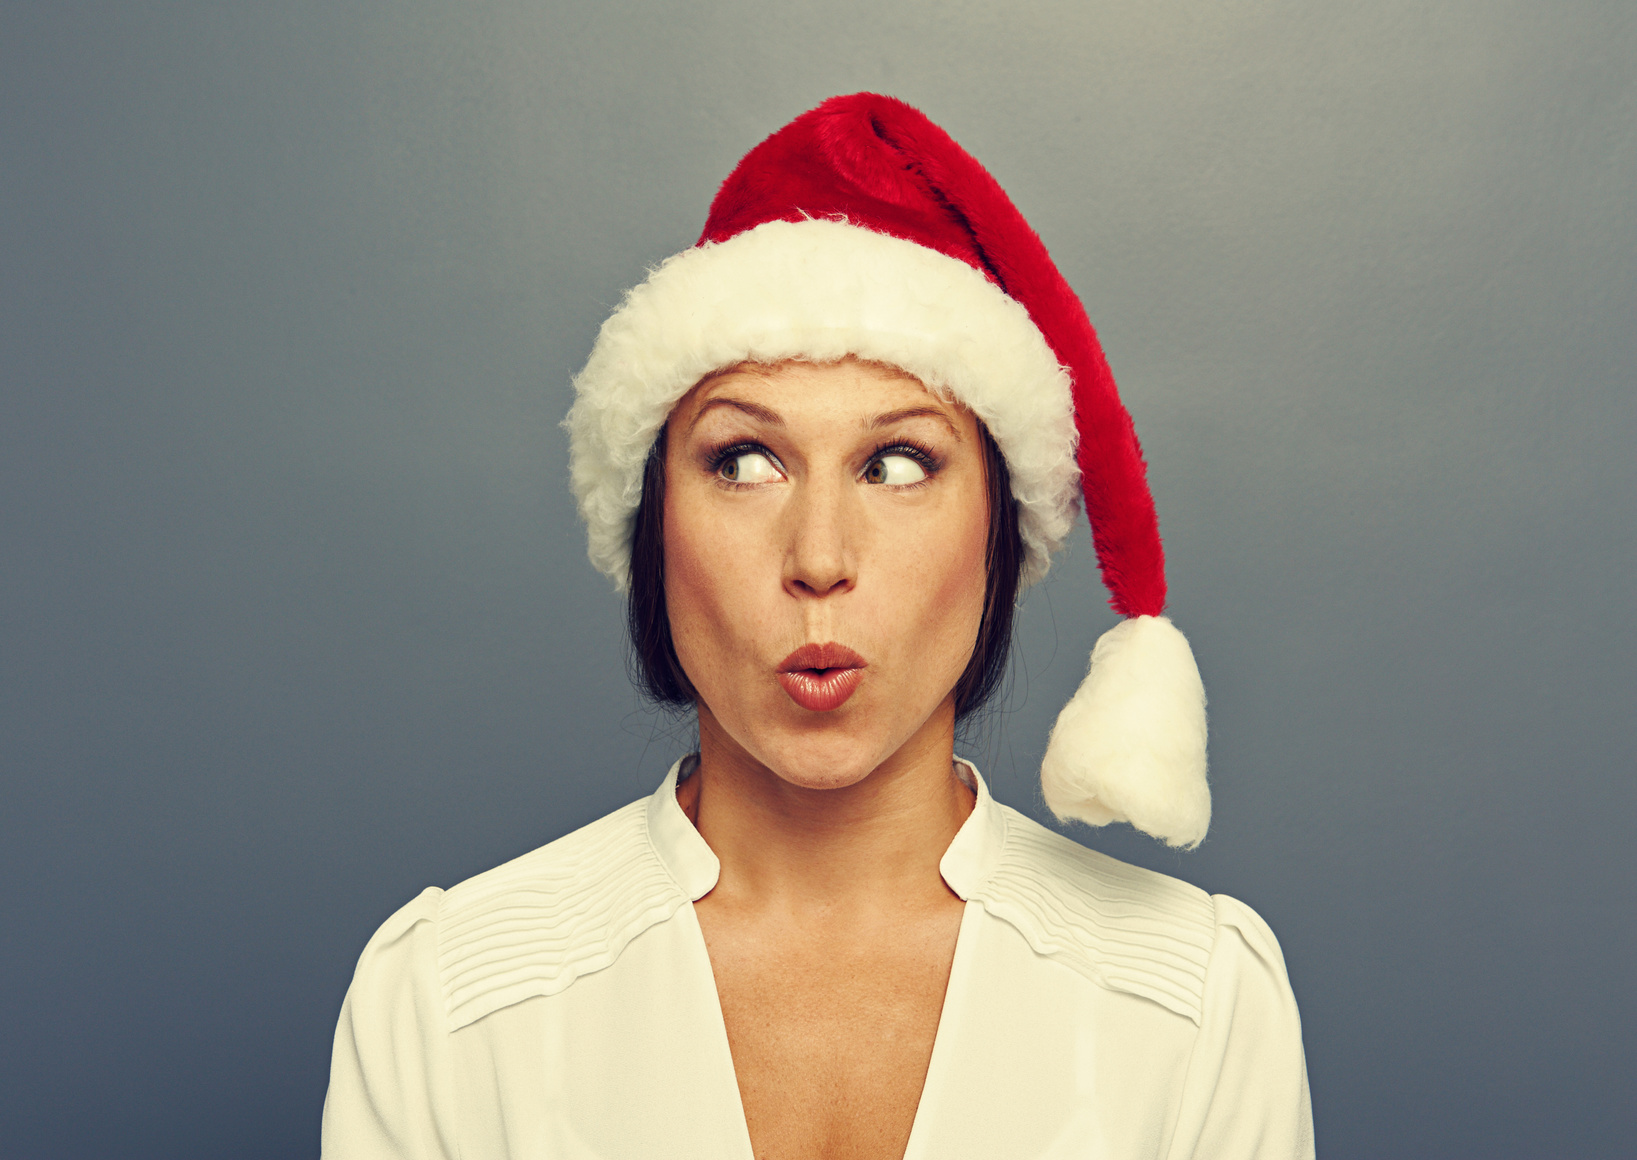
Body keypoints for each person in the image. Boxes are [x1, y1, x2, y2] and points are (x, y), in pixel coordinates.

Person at [320, 93, 1314, 1160]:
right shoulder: (450, 1002)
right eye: (743, 460)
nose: (819, 558)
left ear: (999, 531)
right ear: (653, 522)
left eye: (897, 463)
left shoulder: (1192, 1004)